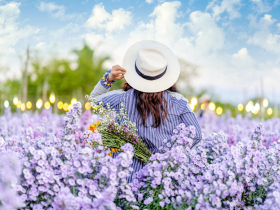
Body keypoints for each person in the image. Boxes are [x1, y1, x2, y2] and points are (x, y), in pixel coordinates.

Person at [90, 40, 202, 181]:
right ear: (165, 75)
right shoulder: (179, 102)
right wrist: (171, 154)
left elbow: (93, 101)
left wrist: (109, 78)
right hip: (162, 179)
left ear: (136, 71)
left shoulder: (121, 98)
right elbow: (196, 134)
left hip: (126, 178)